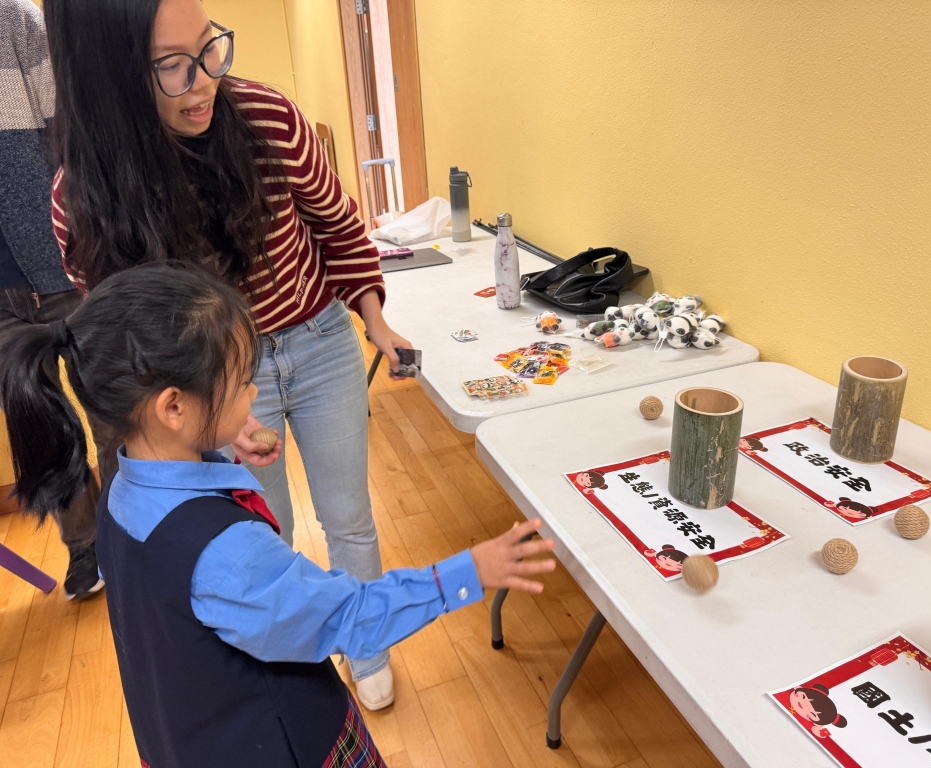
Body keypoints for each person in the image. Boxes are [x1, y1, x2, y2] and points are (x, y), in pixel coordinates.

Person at [0, 264, 556, 767]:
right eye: (242, 382)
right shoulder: (226, 554)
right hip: (283, 742)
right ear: (174, 407)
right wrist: (468, 572)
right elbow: (348, 617)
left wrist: (219, 438)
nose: (253, 393)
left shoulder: (121, 492)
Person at [46, 0, 410, 705]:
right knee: (261, 532)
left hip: (318, 340)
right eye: (173, 67)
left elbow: (338, 226)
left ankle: (365, 643)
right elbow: (130, 329)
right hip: (213, 379)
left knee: (348, 515)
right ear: (115, 77)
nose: (205, 80)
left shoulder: (267, 120)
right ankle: (301, 668)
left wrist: (375, 319)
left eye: (211, 48)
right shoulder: (85, 196)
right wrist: (210, 411)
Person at [0, 0, 102, 600]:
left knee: (113, 407)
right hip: (1, 300)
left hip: (64, 268)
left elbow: (70, 142)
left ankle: (138, 537)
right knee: (44, 429)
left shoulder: (16, 21)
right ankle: (84, 549)